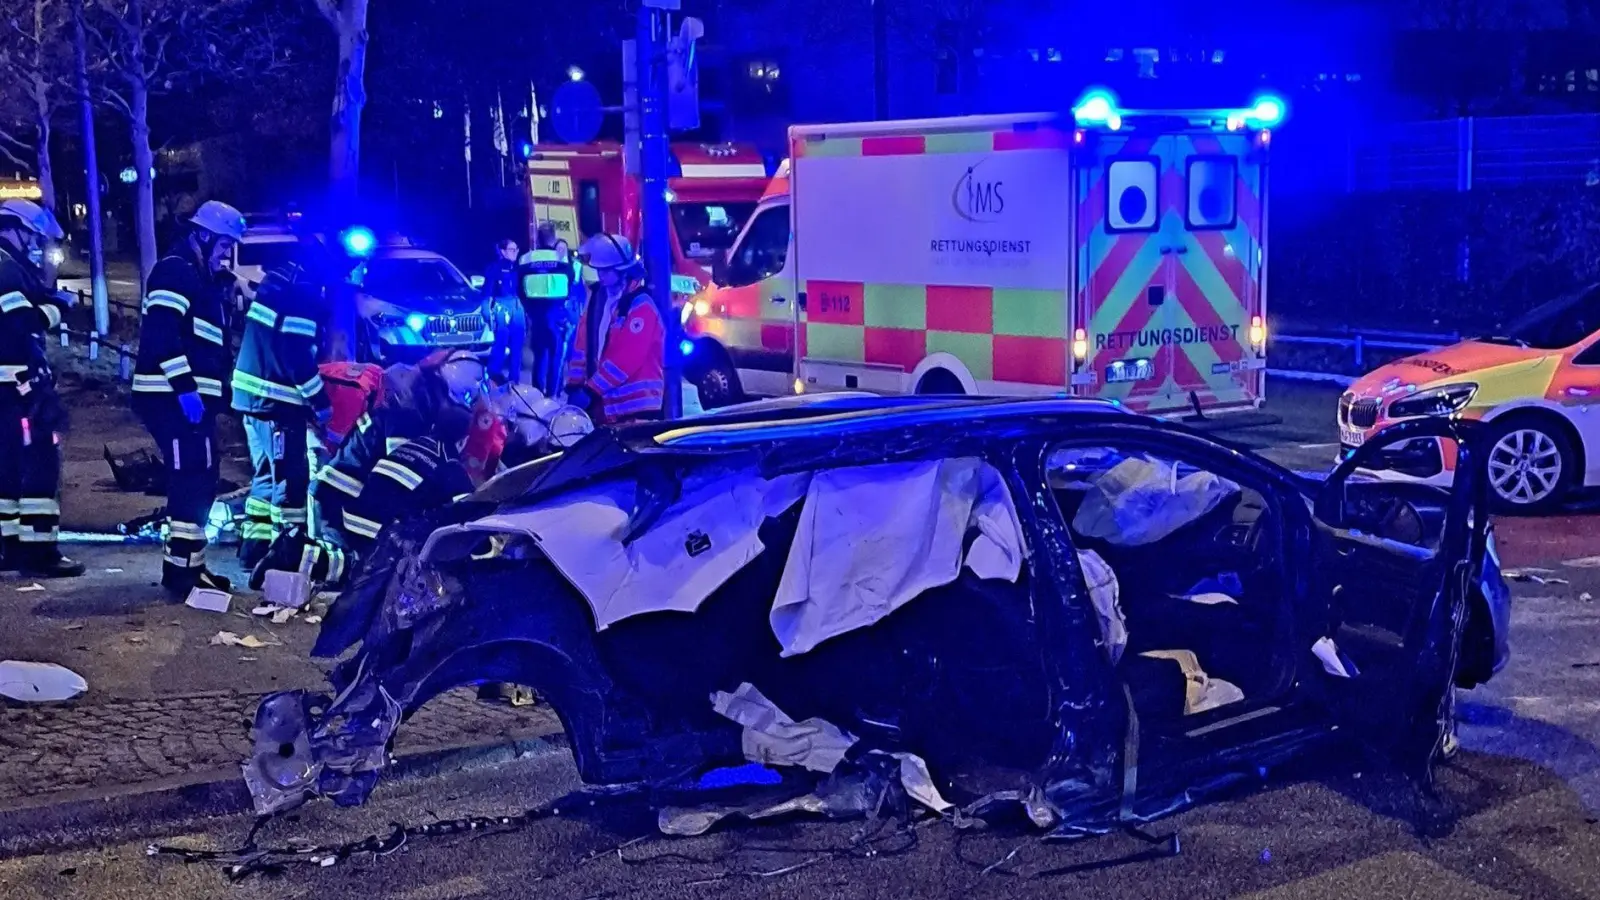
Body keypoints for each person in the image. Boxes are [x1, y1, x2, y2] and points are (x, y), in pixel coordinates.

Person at [252, 349, 488, 588]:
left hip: (342, 501)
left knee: (362, 570)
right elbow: (404, 487)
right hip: (342, 505)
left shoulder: (408, 414)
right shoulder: (408, 421)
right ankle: (295, 554)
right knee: (377, 574)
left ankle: (297, 555)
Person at [132, 200, 246, 595]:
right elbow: (163, 334)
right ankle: (182, 573)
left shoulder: (199, 277)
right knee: (190, 479)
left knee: (201, 478)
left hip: (189, 399)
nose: (225, 255)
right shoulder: (175, 270)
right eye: (223, 245)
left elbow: (207, 346)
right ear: (203, 235)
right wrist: (185, 389)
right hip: (170, 397)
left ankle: (190, 567)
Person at [231, 234, 366, 566]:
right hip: (275, 403)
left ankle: (254, 550)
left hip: (253, 397)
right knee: (291, 481)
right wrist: (320, 402)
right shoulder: (303, 293)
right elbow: (297, 356)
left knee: (266, 476)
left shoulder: (282, 279)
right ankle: (286, 557)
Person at [0, 199, 82, 577]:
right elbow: (23, 322)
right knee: (40, 465)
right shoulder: (6, 268)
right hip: (19, 389)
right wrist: (60, 307)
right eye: (33, 238)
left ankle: (10, 549)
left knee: (8, 470)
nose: (37, 246)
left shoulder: (11, 267)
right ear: (14, 230)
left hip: (9, 389)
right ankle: (40, 552)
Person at [564, 233, 665, 424]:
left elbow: (628, 356)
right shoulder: (597, 299)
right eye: (599, 270)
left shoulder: (641, 305)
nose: (600, 275)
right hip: (605, 406)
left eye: (606, 271)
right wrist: (575, 384)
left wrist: (591, 390)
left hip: (637, 409)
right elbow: (582, 345)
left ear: (623, 271)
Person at [518, 224, 579, 395]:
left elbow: (519, 288)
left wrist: (529, 310)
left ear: (537, 239)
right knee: (556, 355)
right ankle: (552, 394)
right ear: (553, 238)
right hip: (557, 311)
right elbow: (571, 280)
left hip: (535, 313)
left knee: (539, 355)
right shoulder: (561, 259)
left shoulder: (526, 259)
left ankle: (537, 394)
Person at [484, 239, 524, 384]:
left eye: (516, 250)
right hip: (501, 307)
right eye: (512, 250)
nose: (515, 253)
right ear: (503, 251)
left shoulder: (518, 268)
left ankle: (514, 380)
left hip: (517, 306)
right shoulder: (494, 268)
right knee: (500, 343)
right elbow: (487, 291)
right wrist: (486, 309)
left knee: (517, 345)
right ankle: (493, 378)